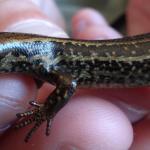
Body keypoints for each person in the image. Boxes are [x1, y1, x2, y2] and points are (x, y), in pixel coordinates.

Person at [0, 0, 150, 149]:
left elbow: (68, 84)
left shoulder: (46, 60)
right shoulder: (43, 59)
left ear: (11, 58)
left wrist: (46, 111)